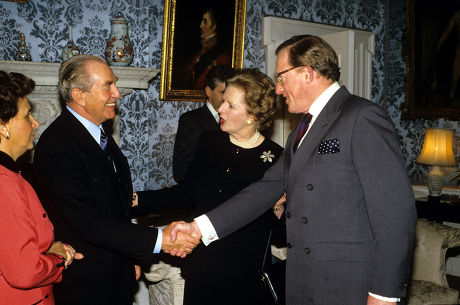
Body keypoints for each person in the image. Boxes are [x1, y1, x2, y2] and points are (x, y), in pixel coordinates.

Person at [170, 35, 417, 305]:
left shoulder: (361, 117)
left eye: (281, 77)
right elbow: (264, 190)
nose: (278, 89)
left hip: (348, 287)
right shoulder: (301, 129)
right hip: (303, 283)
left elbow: (395, 216)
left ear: (307, 74)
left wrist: (384, 294)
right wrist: (198, 227)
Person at [33, 55, 199, 305]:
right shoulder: (58, 145)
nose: (117, 93)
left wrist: (129, 257)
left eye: (115, 84)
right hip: (87, 283)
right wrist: (159, 239)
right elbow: (89, 222)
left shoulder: (97, 132)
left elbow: (114, 204)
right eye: (108, 85)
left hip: (114, 271)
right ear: (79, 96)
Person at [135, 68, 284, 305]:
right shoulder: (208, 141)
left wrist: (278, 210)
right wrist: (137, 200)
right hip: (202, 271)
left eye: (230, 105)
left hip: (244, 281)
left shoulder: (276, 159)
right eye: (223, 101)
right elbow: (187, 193)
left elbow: (282, 234)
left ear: (252, 116)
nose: (221, 109)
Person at [0, 71, 82, 305]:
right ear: (3, 126)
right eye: (27, 116)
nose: (35, 123)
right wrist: (58, 257)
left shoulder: (11, 175)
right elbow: (25, 272)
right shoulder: (4, 184)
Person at [173, 64, 233, 182]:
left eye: (230, 93)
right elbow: (181, 170)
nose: (228, 98)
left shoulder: (236, 119)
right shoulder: (190, 121)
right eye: (223, 93)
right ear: (208, 91)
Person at [189, 8, 231, 89]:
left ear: (214, 26)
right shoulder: (200, 52)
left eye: (205, 21)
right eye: (202, 21)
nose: (201, 26)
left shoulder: (222, 57)